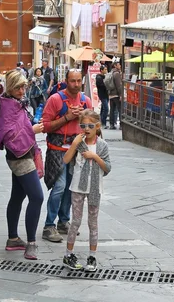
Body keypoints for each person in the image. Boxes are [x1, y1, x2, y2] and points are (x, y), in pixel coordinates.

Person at [0, 70, 45, 260]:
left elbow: (19, 126)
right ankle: (31, 244)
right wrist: (31, 130)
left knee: (17, 196)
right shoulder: (8, 106)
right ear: (11, 87)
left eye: (24, 86)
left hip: (24, 154)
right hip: (20, 158)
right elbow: (7, 134)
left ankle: (13, 239)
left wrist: (32, 125)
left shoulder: (16, 104)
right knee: (37, 197)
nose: (23, 90)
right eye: (18, 87)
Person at [41, 69, 90, 242]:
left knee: (71, 188)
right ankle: (49, 225)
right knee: (60, 186)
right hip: (58, 149)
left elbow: (93, 127)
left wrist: (84, 117)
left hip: (76, 151)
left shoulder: (86, 101)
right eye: (72, 81)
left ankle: (63, 221)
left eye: (78, 81)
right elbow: (45, 126)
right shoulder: (55, 100)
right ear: (66, 81)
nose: (76, 85)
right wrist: (67, 117)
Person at [62, 109, 111, 271]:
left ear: (97, 126)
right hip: (78, 186)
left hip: (95, 188)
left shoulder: (102, 145)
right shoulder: (79, 142)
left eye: (90, 125)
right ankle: (68, 254)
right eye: (83, 125)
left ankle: (92, 256)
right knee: (75, 221)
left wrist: (94, 157)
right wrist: (75, 144)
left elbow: (107, 168)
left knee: (93, 222)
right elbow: (66, 159)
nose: (87, 129)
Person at [108, 60, 123, 130]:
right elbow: (119, 85)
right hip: (116, 94)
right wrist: (121, 94)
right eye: (119, 64)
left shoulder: (111, 72)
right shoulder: (116, 74)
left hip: (111, 94)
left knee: (112, 109)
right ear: (115, 66)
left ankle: (111, 124)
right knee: (120, 109)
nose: (120, 66)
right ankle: (121, 125)